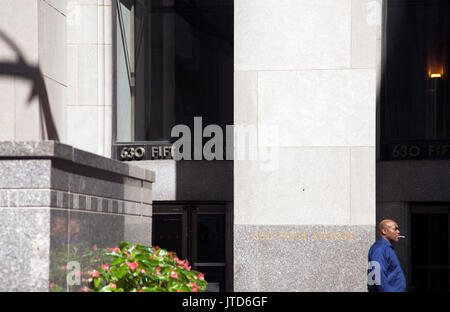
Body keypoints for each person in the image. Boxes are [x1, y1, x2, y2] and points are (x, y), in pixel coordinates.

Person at [367, 219, 406, 292]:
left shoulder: (387, 248)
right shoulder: (379, 249)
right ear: (384, 231)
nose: (398, 232)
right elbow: (377, 275)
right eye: (395, 229)